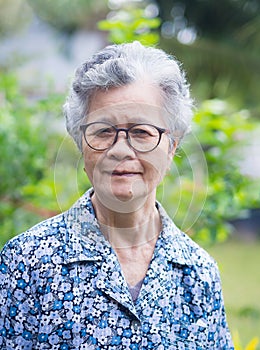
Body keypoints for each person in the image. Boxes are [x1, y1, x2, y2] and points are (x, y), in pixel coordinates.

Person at [0, 41, 233, 349]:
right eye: (103, 131)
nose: (121, 150)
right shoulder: (26, 262)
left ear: (172, 146)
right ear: (81, 143)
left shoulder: (198, 273)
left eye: (141, 132)